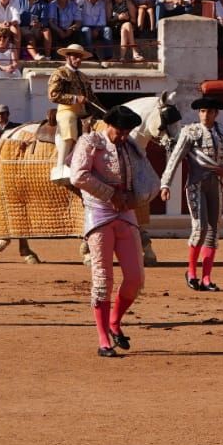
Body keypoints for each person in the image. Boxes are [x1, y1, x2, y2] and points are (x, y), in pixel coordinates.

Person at [69, 105, 157, 358]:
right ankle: (103, 339)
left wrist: (137, 197)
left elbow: (148, 177)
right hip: (98, 213)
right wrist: (111, 194)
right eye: (119, 130)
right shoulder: (89, 142)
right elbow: (78, 176)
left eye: (127, 131)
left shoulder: (131, 146)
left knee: (135, 278)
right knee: (102, 278)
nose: (122, 136)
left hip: (125, 212)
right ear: (108, 125)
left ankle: (115, 322)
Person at [161, 97, 223, 293]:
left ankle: (206, 278)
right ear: (199, 113)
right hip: (196, 185)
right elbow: (175, 158)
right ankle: (191, 273)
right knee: (200, 228)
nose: (205, 115)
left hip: (217, 185)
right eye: (203, 111)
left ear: (216, 114)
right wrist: (165, 184)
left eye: (209, 112)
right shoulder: (190, 132)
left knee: (213, 231)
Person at [48, 43, 102, 173]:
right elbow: (53, 95)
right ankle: (61, 167)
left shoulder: (83, 76)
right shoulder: (60, 73)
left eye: (80, 57)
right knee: (69, 121)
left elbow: (92, 99)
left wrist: (105, 113)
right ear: (67, 57)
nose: (78, 59)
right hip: (67, 110)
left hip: (84, 113)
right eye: (75, 56)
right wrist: (75, 98)